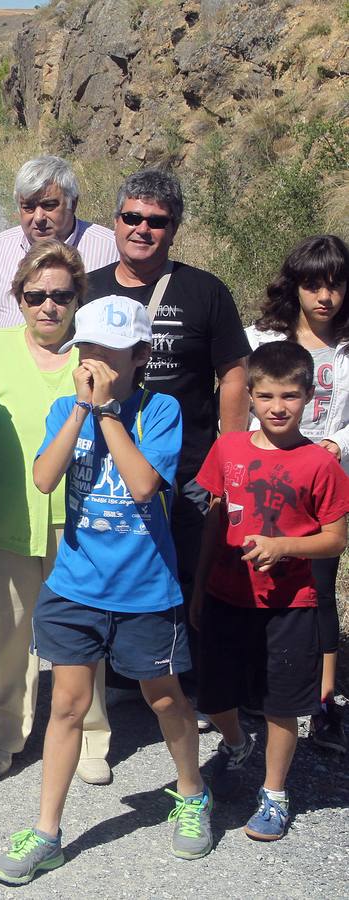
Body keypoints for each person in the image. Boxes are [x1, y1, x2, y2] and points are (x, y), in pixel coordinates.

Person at [0, 296, 211, 886]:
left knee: (164, 697)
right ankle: (47, 831)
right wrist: (82, 411)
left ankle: (191, 792)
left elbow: (144, 487)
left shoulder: (159, 410)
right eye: (87, 352)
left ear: (140, 357)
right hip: (75, 587)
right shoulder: (69, 407)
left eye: (111, 355)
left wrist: (111, 413)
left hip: (144, 589)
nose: (95, 365)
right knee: (66, 705)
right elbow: (43, 478)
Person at [191, 341, 349, 841]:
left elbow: (335, 539)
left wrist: (283, 547)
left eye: (289, 396)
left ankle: (275, 794)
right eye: (265, 396)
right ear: (250, 398)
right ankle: (237, 744)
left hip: (290, 605)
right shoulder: (229, 448)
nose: (278, 407)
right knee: (215, 695)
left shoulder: (321, 464)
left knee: (282, 705)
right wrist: (198, 589)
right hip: (225, 595)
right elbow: (216, 519)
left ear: (308, 396)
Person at [0, 240, 113, 784]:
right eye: (36, 296)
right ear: (19, 297)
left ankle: (91, 737)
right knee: (6, 632)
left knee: (83, 632)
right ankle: (4, 732)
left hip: (82, 522)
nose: (48, 306)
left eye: (61, 295)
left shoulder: (96, 357)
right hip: (5, 513)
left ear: (78, 298)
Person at [82, 169, 250, 617]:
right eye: (132, 216)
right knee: (112, 575)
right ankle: (118, 682)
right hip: (105, 464)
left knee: (189, 575)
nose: (143, 228)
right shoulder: (87, 289)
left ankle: (185, 681)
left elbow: (234, 375)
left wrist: (231, 463)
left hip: (189, 471)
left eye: (157, 221)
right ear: (115, 221)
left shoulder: (206, 291)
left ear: (174, 229)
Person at [244, 234, 349, 753]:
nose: (324, 296)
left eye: (335, 284)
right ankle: (254, 689)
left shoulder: (347, 348)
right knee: (256, 581)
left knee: (320, 588)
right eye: (313, 284)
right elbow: (241, 401)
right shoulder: (261, 338)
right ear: (295, 286)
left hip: (328, 479)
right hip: (267, 481)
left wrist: (337, 442)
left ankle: (325, 701)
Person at [0, 155, 119, 335]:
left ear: (73, 203)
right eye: (28, 207)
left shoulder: (110, 249)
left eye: (49, 206)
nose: (38, 218)